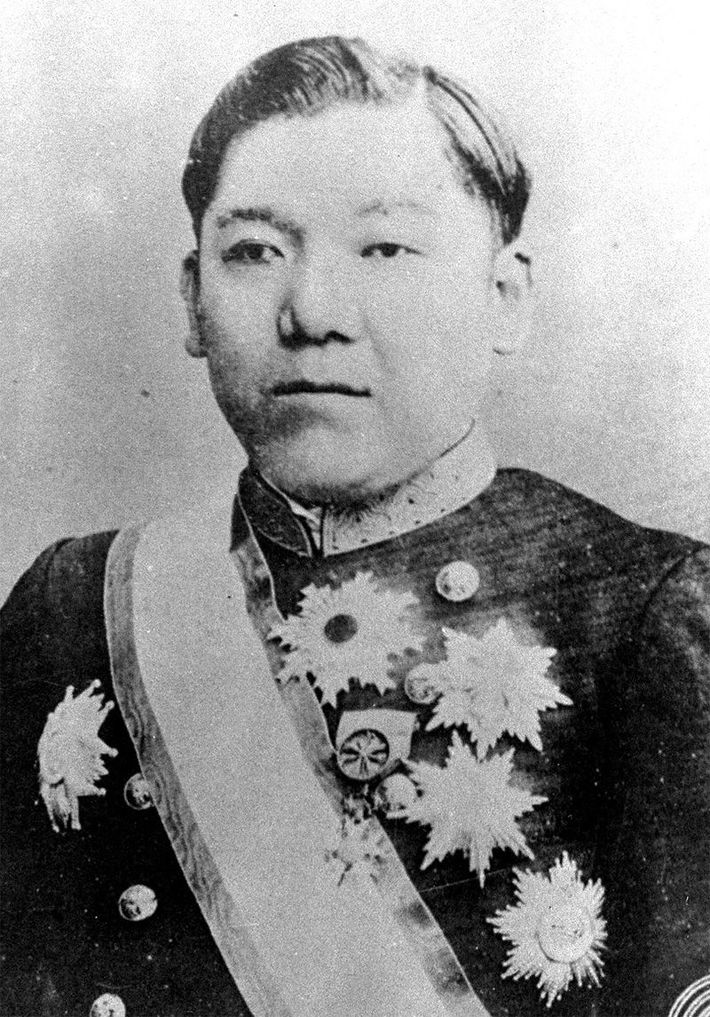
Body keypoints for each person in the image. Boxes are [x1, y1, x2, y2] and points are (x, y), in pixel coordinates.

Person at [1, 35, 708, 1017]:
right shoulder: (75, 605)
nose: (312, 312)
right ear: (193, 300)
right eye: (255, 251)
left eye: (384, 249)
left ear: (503, 298)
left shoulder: (640, 614)